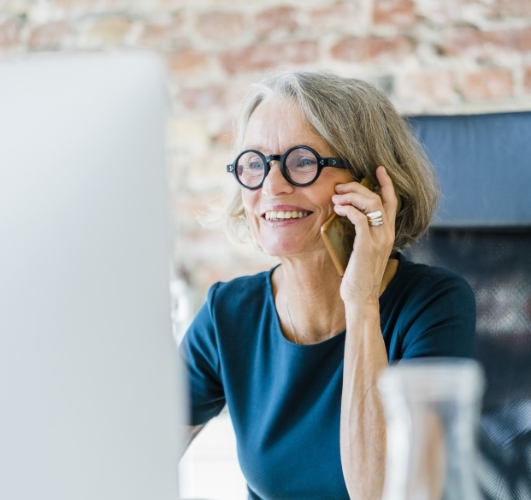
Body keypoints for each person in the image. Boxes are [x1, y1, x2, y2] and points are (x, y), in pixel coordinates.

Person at [180, 72, 475, 500]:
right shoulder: (229, 313)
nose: (271, 186)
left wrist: (361, 301)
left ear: (370, 185)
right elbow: (128, 458)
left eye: (302, 162)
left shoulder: (433, 306)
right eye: (255, 163)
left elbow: (378, 492)